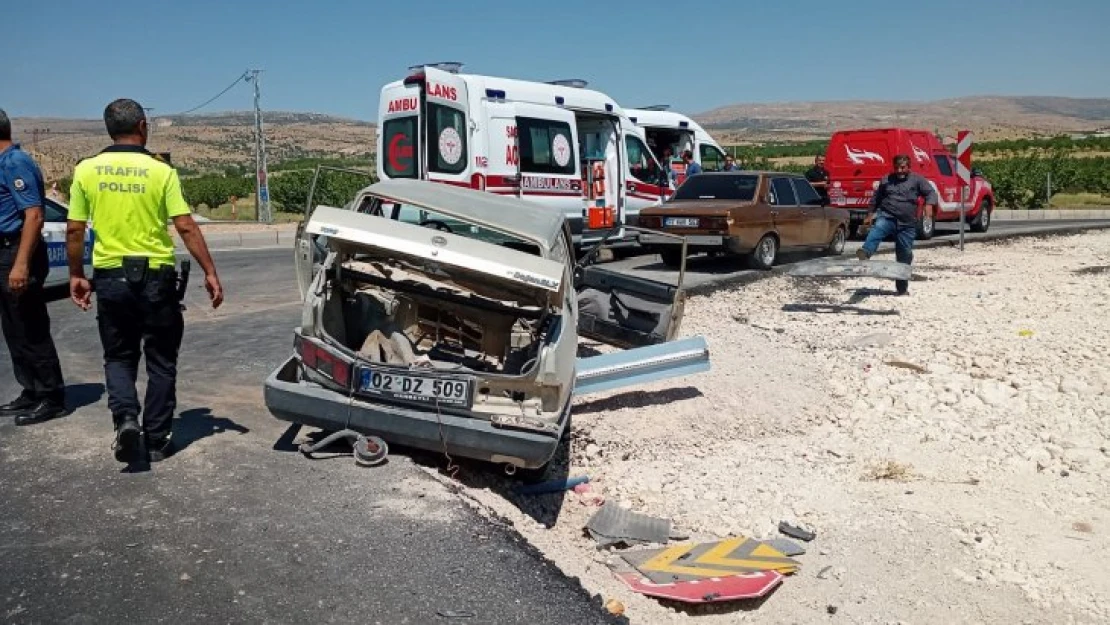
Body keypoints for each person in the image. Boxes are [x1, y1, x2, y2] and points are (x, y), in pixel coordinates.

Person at [66, 98, 224, 464]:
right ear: (142, 126)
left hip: (110, 277)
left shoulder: (87, 170)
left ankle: (125, 419)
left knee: (119, 356)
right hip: (156, 278)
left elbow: (74, 229)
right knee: (161, 359)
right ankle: (157, 436)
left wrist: (76, 274)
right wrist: (210, 272)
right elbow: (185, 224)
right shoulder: (160, 171)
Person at [0, 108, 67, 426]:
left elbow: (35, 215)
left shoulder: (15, 162)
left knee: (30, 326)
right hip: (4, 253)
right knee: (13, 327)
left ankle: (51, 396)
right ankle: (31, 389)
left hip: (16, 252)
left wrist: (21, 264)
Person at [855, 154, 938, 296]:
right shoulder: (886, 180)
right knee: (878, 229)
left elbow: (931, 193)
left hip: (907, 223)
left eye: (902, 167)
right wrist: (870, 215)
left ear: (909, 167)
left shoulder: (917, 180)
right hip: (888, 216)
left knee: (904, 255)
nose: (899, 170)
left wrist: (929, 205)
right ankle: (866, 252)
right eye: (897, 167)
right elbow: (876, 198)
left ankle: (901, 288)